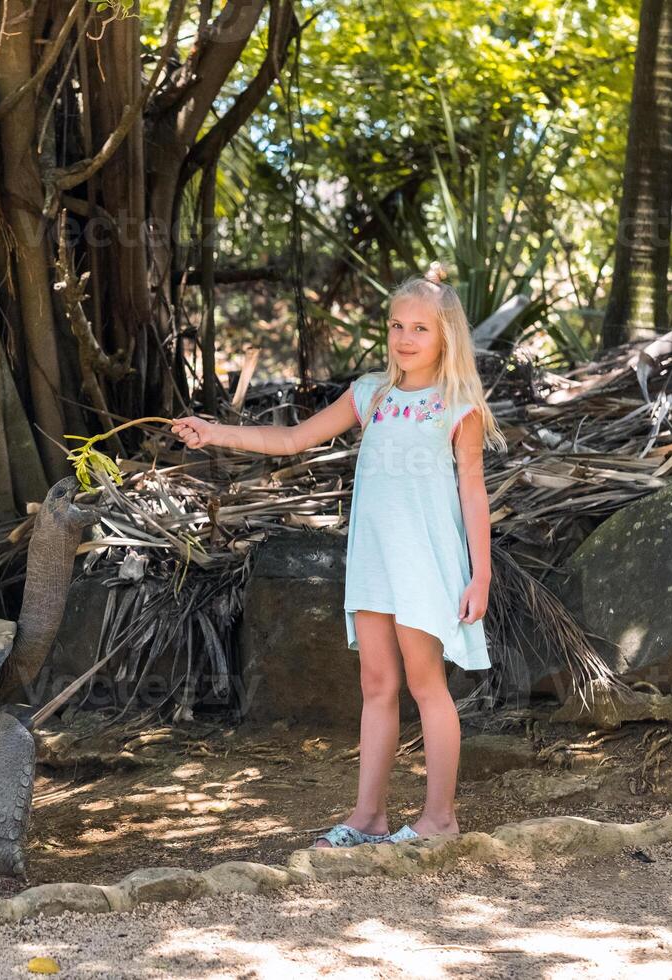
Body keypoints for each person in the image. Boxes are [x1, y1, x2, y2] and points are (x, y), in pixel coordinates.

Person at [171, 262, 507, 848]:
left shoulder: (458, 408)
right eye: (397, 325)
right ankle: (369, 815)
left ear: (446, 336)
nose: (405, 339)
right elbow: (291, 439)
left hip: (426, 565)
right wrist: (214, 432)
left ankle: (440, 819)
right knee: (377, 683)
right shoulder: (370, 394)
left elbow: (473, 493)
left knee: (427, 685)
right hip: (374, 561)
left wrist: (481, 574)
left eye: (420, 329)